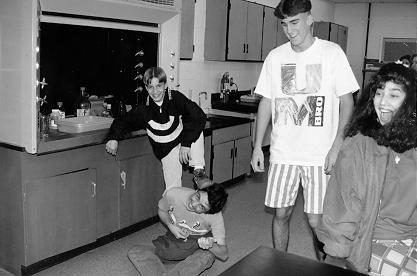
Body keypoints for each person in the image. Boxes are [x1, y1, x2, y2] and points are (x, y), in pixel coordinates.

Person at [250, 0, 359, 260]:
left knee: (316, 220)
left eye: (295, 22)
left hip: (319, 155)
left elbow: (347, 101)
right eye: (284, 24)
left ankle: (322, 264)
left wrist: (336, 146)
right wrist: (257, 147)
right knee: (281, 213)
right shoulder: (276, 57)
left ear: (310, 19)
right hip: (283, 152)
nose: (289, 30)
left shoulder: (331, 53)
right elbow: (266, 102)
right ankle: (280, 262)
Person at [316, 62, 417, 275]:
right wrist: (338, 252)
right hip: (375, 237)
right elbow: (344, 203)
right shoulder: (360, 143)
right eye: (379, 93)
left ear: (409, 102)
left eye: (393, 95)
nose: (382, 102)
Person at [105, 66, 211, 190]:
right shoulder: (143, 109)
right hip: (166, 150)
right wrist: (113, 138)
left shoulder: (175, 98)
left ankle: (199, 172)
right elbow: (123, 121)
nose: (155, 91)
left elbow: (197, 115)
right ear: (146, 88)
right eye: (150, 87)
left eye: (159, 86)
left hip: (181, 140)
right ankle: (171, 208)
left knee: (196, 127)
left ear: (165, 85)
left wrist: (186, 143)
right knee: (173, 189)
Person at [127, 184, 229, 276]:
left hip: (196, 251)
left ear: (209, 212)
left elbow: (224, 254)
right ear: (197, 189)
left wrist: (210, 245)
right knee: (136, 251)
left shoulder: (216, 217)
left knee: (206, 256)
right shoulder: (174, 193)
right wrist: (169, 224)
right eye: (197, 197)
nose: (194, 204)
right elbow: (162, 210)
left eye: (201, 207)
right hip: (170, 244)